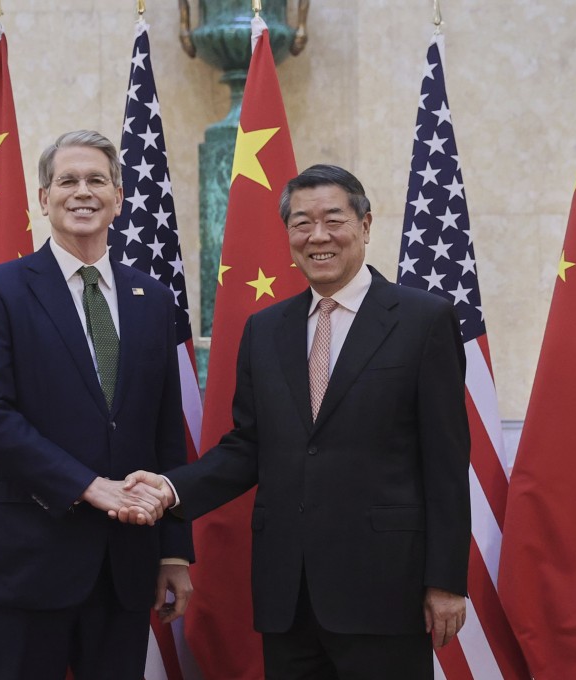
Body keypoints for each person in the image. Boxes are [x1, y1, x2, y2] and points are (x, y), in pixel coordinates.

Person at [117, 164, 471, 679]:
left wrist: (447, 582)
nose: (318, 236)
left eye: (334, 219)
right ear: (288, 236)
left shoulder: (423, 320)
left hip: (385, 590)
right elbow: (247, 447)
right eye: (302, 223)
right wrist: (170, 489)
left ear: (366, 226)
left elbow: (445, 461)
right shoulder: (265, 330)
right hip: (288, 594)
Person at [0, 130, 193, 680]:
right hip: (25, 562)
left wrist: (174, 551)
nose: (81, 192)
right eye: (67, 181)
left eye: (95, 181)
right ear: (44, 198)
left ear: (118, 197)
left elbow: (165, 433)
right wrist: (87, 485)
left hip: (124, 568)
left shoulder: (152, 300)